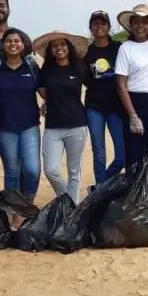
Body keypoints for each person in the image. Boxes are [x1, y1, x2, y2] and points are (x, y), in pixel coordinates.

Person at [34, 31, 90, 204]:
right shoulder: (46, 71)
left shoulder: (79, 67)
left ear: (69, 47)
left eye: (63, 45)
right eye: (55, 46)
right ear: (50, 50)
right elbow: (42, 91)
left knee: (74, 172)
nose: (59, 48)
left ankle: (72, 211)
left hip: (77, 125)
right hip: (53, 126)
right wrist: (47, 102)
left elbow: (95, 85)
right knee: (51, 170)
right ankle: (68, 202)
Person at [0, 28, 43, 203]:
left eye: (16, 41)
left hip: (29, 125)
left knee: (32, 170)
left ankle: (27, 204)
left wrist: (48, 101)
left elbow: (43, 90)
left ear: (23, 45)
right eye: (9, 41)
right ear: (3, 45)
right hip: (4, 126)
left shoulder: (31, 66)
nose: (13, 44)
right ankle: (13, 208)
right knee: (12, 171)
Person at [115, 4, 148, 174]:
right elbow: (121, 84)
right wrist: (132, 115)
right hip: (133, 102)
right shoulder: (125, 48)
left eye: (144, 22)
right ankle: (133, 199)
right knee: (134, 158)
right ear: (130, 25)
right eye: (136, 22)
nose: (140, 26)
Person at [83, 11, 126, 186]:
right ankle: (100, 192)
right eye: (95, 24)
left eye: (103, 23)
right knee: (99, 153)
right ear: (91, 28)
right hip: (94, 107)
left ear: (108, 27)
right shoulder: (86, 51)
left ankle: (101, 185)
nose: (99, 27)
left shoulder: (119, 47)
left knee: (121, 157)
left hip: (116, 106)